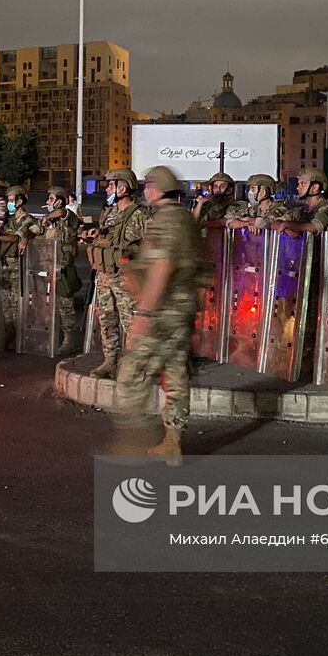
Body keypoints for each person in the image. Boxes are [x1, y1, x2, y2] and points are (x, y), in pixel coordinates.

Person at [116, 165, 204, 465]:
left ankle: (131, 441)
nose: (145, 189)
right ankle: (172, 442)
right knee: (176, 376)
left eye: (148, 184)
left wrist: (143, 313)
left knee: (132, 374)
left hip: (162, 311)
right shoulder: (184, 218)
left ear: (158, 187)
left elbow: (161, 267)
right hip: (183, 308)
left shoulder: (165, 220)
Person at [85, 168, 149, 379]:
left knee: (130, 323)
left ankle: (136, 367)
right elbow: (106, 239)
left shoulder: (139, 214)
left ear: (123, 187)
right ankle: (110, 362)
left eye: (111, 185)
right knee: (106, 321)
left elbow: (151, 246)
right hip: (105, 277)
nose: (108, 189)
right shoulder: (110, 212)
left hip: (126, 278)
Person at [41, 186, 82, 358]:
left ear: (59, 201)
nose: (47, 202)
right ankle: (50, 338)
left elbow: (63, 213)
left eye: (51, 199)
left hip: (64, 269)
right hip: (49, 268)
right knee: (49, 307)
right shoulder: (52, 223)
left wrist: (48, 216)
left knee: (66, 308)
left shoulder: (69, 217)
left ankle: (69, 340)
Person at [0, 185, 40, 340]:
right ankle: (9, 331)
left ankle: (19, 332)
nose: (9, 203)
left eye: (12, 200)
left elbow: (15, 237)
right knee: (5, 298)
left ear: (20, 201)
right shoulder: (9, 220)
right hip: (5, 261)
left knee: (17, 299)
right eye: (8, 200)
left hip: (18, 263)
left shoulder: (28, 219)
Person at [274, 167, 328, 234]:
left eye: (303, 184)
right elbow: (276, 222)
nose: (298, 187)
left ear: (315, 187)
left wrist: (288, 225)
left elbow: (314, 227)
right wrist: (286, 229)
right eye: (299, 184)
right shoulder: (301, 210)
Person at [224, 173, 297, 229]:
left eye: (253, 189)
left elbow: (269, 222)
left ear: (263, 192)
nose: (250, 192)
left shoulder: (282, 209)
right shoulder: (252, 210)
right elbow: (228, 219)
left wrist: (250, 220)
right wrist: (245, 224)